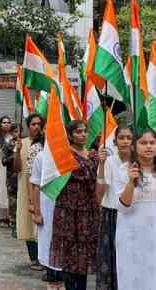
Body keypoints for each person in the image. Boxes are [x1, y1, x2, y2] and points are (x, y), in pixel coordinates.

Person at [114, 129, 156, 290]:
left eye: (152, 143)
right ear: (134, 147)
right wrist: (131, 181)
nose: (149, 146)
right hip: (132, 237)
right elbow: (123, 205)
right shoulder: (124, 170)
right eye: (143, 143)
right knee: (133, 278)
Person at [49, 120, 101, 290]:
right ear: (70, 135)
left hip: (88, 209)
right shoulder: (64, 155)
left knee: (84, 254)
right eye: (78, 132)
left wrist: (103, 162)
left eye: (85, 131)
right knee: (69, 253)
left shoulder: (94, 155)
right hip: (68, 209)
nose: (83, 134)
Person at [95, 126, 134, 290]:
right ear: (115, 141)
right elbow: (99, 195)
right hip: (112, 215)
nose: (125, 141)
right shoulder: (109, 162)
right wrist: (102, 165)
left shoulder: (138, 162)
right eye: (122, 138)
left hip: (132, 216)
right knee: (110, 259)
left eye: (129, 138)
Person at [30, 138, 63, 290]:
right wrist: (36, 211)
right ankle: (51, 280)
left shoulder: (68, 157)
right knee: (47, 243)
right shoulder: (41, 157)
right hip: (46, 207)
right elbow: (35, 185)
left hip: (65, 210)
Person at [12, 113, 44, 271]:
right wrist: (17, 151)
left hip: (42, 189)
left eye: (39, 124)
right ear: (28, 126)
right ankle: (34, 257)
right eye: (33, 124)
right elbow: (16, 168)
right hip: (25, 187)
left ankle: (44, 257)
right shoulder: (21, 143)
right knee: (27, 222)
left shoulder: (46, 143)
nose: (36, 127)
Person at [2, 123, 21, 235]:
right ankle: (14, 224)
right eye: (15, 131)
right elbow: (3, 161)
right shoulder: (8, 145)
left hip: (22, 177)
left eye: (19, 131)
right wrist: (12, 156)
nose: (17, 134)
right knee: (13, 202)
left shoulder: (23, 143)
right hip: (12, 179)